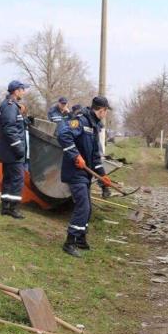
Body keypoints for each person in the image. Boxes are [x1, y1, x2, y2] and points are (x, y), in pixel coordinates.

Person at [57, 97, 112, 257]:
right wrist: (75, 156)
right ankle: (69, 242)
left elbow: (95, 156)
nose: (106, 114)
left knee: (88, 207)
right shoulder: (80, 120)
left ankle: (80, 238)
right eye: (106, 111)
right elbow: (63, 135)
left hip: (85, 174)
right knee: (83, 206)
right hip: (75, 172)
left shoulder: (94, 126)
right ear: (101, 110)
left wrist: (103, 176)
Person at [0, 80, 30, 219]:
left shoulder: (11, 105)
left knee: (9, 179)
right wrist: (19, 148)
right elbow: (9, 128)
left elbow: (15, 124)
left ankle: (5, 207)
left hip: (8, 151)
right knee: (17, 179)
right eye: (23, 89)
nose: (24, 92)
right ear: (16, 91)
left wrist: (25, 119)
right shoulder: (10, 106)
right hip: (13, 151)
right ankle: (13, 208)